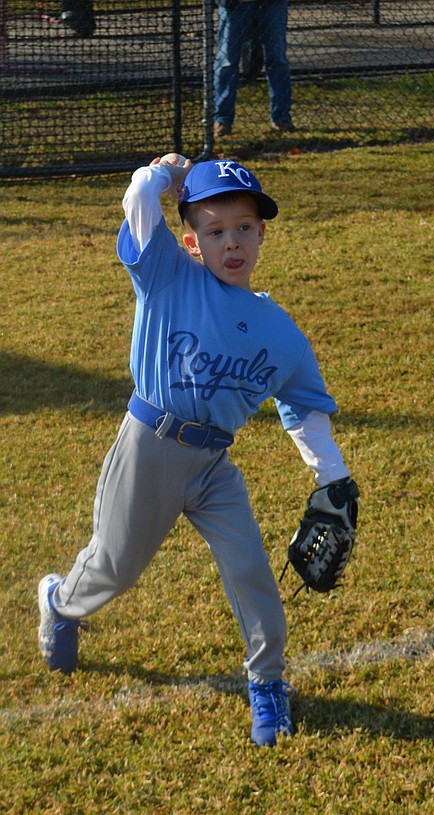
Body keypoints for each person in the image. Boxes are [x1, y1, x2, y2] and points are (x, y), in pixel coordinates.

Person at [38, 157, 357, 747]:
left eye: (243, 227)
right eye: (214, 231)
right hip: (148, 449)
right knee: (113, 568)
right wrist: (164, 175)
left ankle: (267, 685)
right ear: (191, 240)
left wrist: (331, 474)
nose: (230, 242)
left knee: (252, 573)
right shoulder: (168, 275)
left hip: (213, 466)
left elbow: (303, 405)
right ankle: (61, 602)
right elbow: (137, 203)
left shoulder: (277, 329)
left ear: (262, 233)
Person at [213, 0, 294, 137]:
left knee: (277, 59)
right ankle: (222, 119)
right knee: (227, 61)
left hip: (272, 5)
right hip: (235, 5)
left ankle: (282, 118)